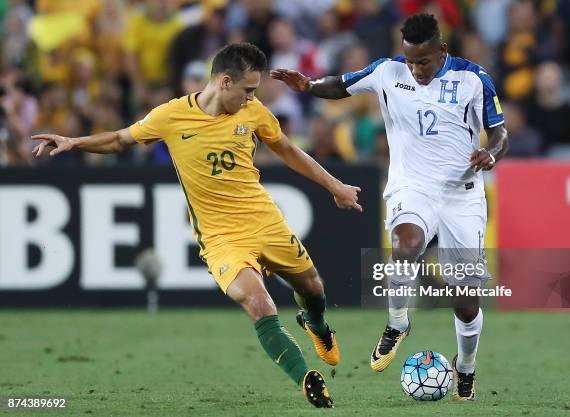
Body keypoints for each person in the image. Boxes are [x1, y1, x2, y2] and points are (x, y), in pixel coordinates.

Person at [32, 43, 363, 409]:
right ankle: (306, 379)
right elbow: (120, 139)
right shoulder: (171, 116)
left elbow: (286, 150)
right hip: (221, 238)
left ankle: (316, 325)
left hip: (264, 220)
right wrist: (74, 142)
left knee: (313, 287)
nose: (252, 97)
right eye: (248, 90)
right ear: (224, 82)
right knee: (257, 303)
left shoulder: (252, 113)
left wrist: (336, 186)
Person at [272, 13, 508, 401]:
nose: (415, 70)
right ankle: (398, 323)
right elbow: (341, 86)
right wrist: (308, 85)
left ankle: (465, 367)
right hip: (412, 186)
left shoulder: (473, 78)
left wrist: (492, 153)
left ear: (441, 51)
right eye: (410, 61)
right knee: (405, 247)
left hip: (461, 195)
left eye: (424, 62)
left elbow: (499, 130)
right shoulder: (387, 72)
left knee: (465, 301)